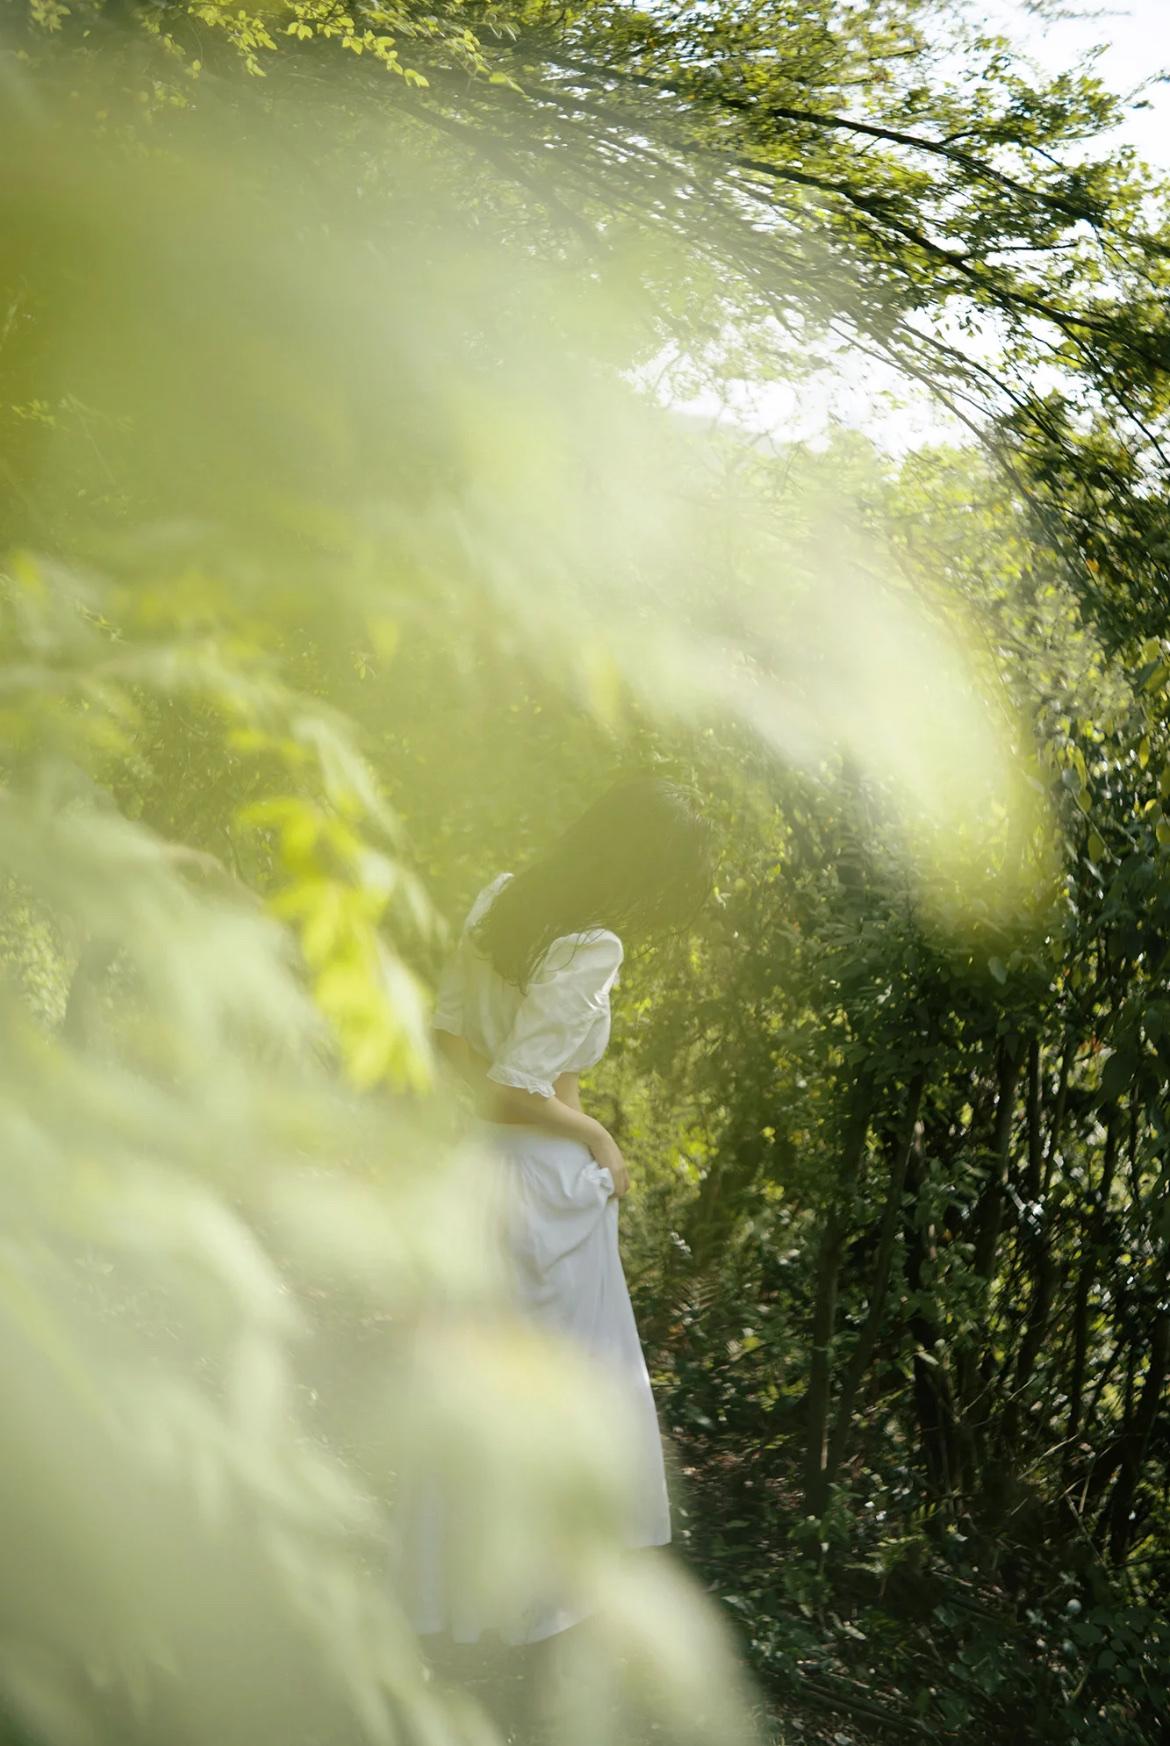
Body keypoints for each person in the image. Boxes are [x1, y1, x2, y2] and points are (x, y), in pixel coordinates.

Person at [406, 771, 715, 1667]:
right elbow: (519, 1089)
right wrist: (600, 1140)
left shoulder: (501, 899)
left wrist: (545, 1112)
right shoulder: (593, 943)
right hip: (542, 1185)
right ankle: (537, 1610)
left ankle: (463, 1604)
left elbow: (459, 1050)